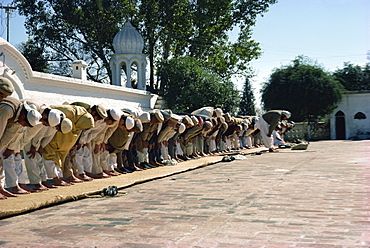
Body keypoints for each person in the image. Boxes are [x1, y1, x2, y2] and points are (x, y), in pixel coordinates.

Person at [42, 104, 94, 186]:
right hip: (52, 135)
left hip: (63, 137)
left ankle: (60, 177)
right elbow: (51, 116)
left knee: (60, 158)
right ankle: (55, 179)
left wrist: (75, 144)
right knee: (50, 156)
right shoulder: (68, 111)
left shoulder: (80, 120)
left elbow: (77, 131)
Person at [0, 97, 42, 196]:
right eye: (25, 124)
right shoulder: (8, 110)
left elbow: (12, 134)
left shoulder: (19, 117)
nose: (24, 126)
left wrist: (10, 148)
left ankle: (1, 188)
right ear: (23, 116)